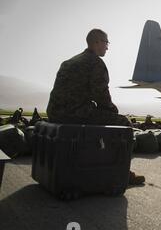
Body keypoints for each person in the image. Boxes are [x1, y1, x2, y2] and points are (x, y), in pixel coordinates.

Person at [47, 29, 145, 185]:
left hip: (55, 113)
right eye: (106, 42)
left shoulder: (69, 62)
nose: (107, 47)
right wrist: (113, 111)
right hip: (75, 114)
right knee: (124, 124)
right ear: (97, 42)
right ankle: (121, 173)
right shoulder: (95, 63)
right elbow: (101, 96)